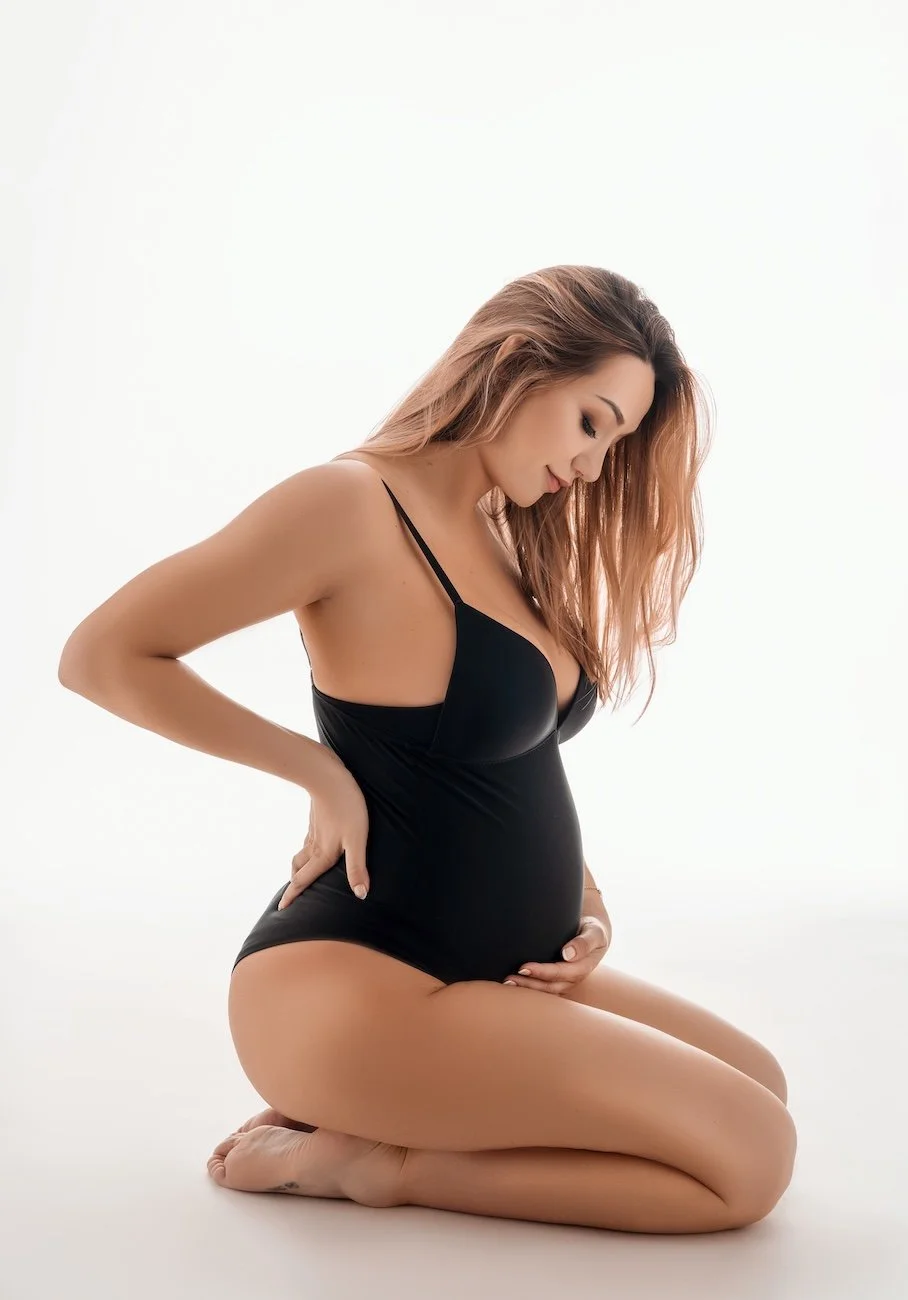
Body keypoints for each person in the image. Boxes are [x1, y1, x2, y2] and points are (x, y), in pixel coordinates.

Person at [58, 264, 796, 1233]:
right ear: (517, 363)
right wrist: (315, 769)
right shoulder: (350, 505)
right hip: (359, 985)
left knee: (760, 1083)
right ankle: (383, 1166)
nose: (590, 467)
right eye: (590, 421)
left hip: (489, 972)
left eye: (613, 444)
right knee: (750, 1160)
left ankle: (406, 1124)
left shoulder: (501, 531)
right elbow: (102, 655)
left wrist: (582, 898)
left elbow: (494, 765)